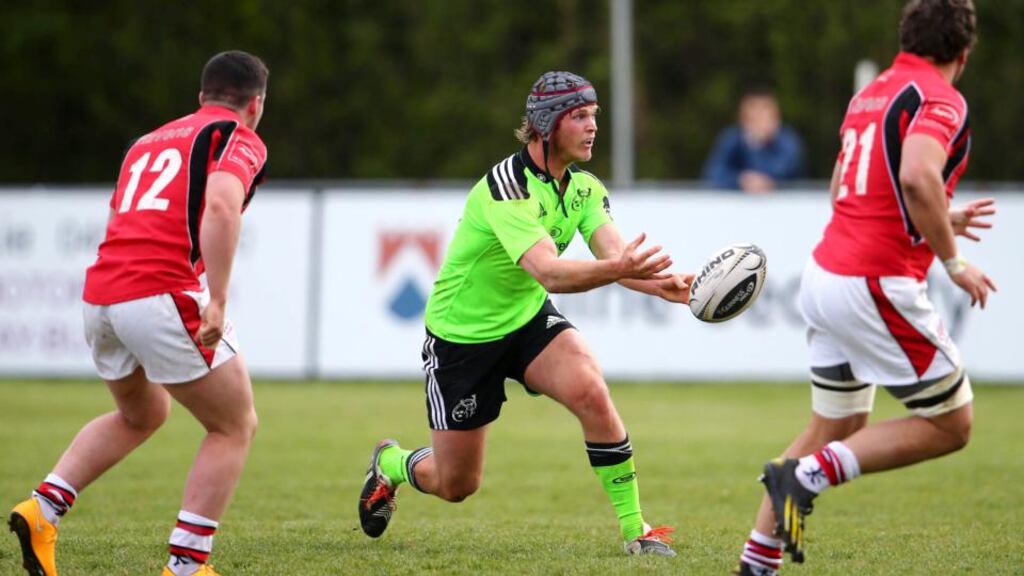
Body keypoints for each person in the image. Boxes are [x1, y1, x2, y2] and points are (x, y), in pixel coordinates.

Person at [357, 71, 694, 556]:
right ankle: (391, 463)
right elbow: (551, 273)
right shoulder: (506, 188)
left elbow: (617, 257)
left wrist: (666, 286)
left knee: (592, 392)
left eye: (594, 116)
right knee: (456, 484)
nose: (592, 126)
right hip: (463, 336)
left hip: (527, 319)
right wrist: (622, 268)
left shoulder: (584, 189)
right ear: (547, 123)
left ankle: (636, 531)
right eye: (580, 116)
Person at [734, 2, 996, 574]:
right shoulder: (940, 95)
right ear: (964, 53)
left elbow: (845, 189)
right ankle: (809, 476)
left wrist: (937, 219)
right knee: (952, 423)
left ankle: (757, 562)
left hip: (827, 273)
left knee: (837, 425)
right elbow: (916, 176)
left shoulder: (873, 91)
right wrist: (953, 262)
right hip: (873, 279)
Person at [7, 50, 269, 576]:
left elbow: (116, 217)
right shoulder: (235, 136)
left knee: (142, 414)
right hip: (161, 293)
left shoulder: (147, 141)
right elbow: (220, 205)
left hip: (102, 294)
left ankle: (43, 510)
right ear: (256, 104)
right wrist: (216, 298)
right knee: (233, 425)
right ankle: (188, 565)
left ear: (200, 96)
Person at [702, 87, 806, 193]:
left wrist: (755, 146)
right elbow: (713, 173)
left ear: (775, 117)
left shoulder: (788, 141)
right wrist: (740, 180)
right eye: (753, 115)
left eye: (763, 113)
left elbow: (783, 172)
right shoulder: (732, 138)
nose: (759, 119)